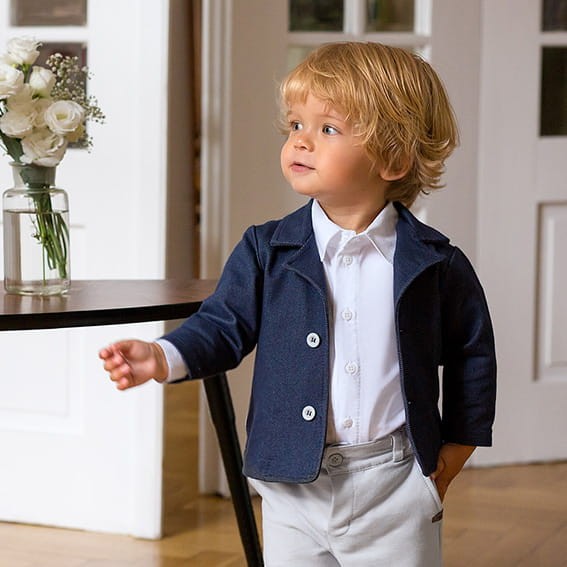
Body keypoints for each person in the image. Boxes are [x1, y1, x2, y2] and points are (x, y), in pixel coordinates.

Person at [100, 42, 496, 566]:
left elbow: (473, 354)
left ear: (394, 159)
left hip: (394, 484)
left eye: (327, 129)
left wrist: (459, 447)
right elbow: (223, 323)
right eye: (295, 125)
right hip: (291, 488)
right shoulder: (266, 250)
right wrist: (162, 355)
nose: (301, 141)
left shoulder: (436, 264)